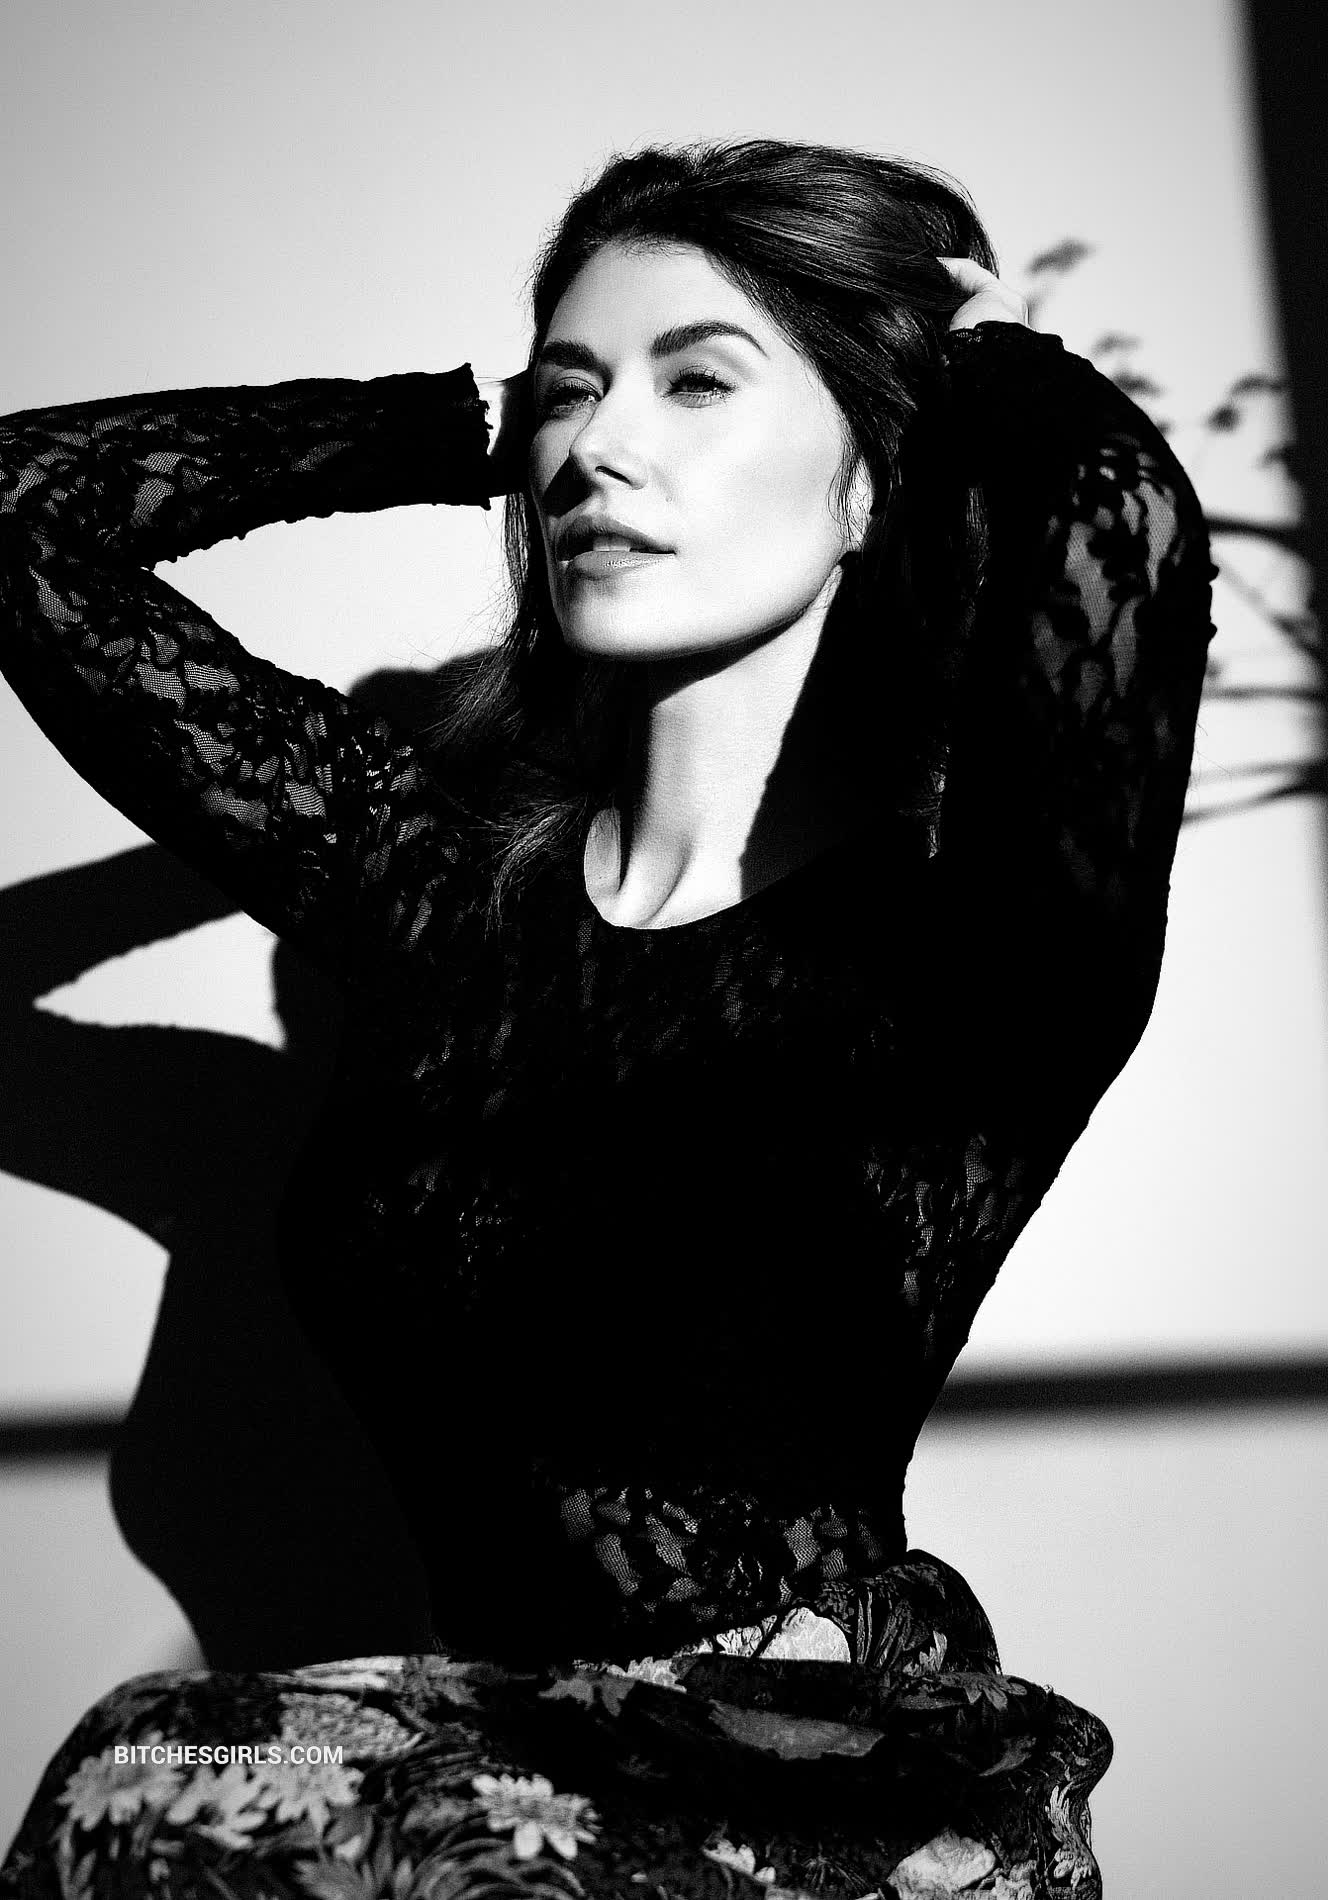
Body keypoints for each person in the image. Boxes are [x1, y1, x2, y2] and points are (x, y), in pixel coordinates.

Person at [0, 138, 1215, 1898]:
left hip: (812, 1798)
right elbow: (25, 516)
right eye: (569, 393)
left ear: (873, 481)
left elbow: (1120, 523)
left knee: (144, 1782)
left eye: (696, 382)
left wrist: (982, 367)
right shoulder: (428, 896)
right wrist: (448, 426)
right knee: (141, 1782)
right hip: (486, 1790)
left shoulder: (975, 948)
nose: (596, 448)